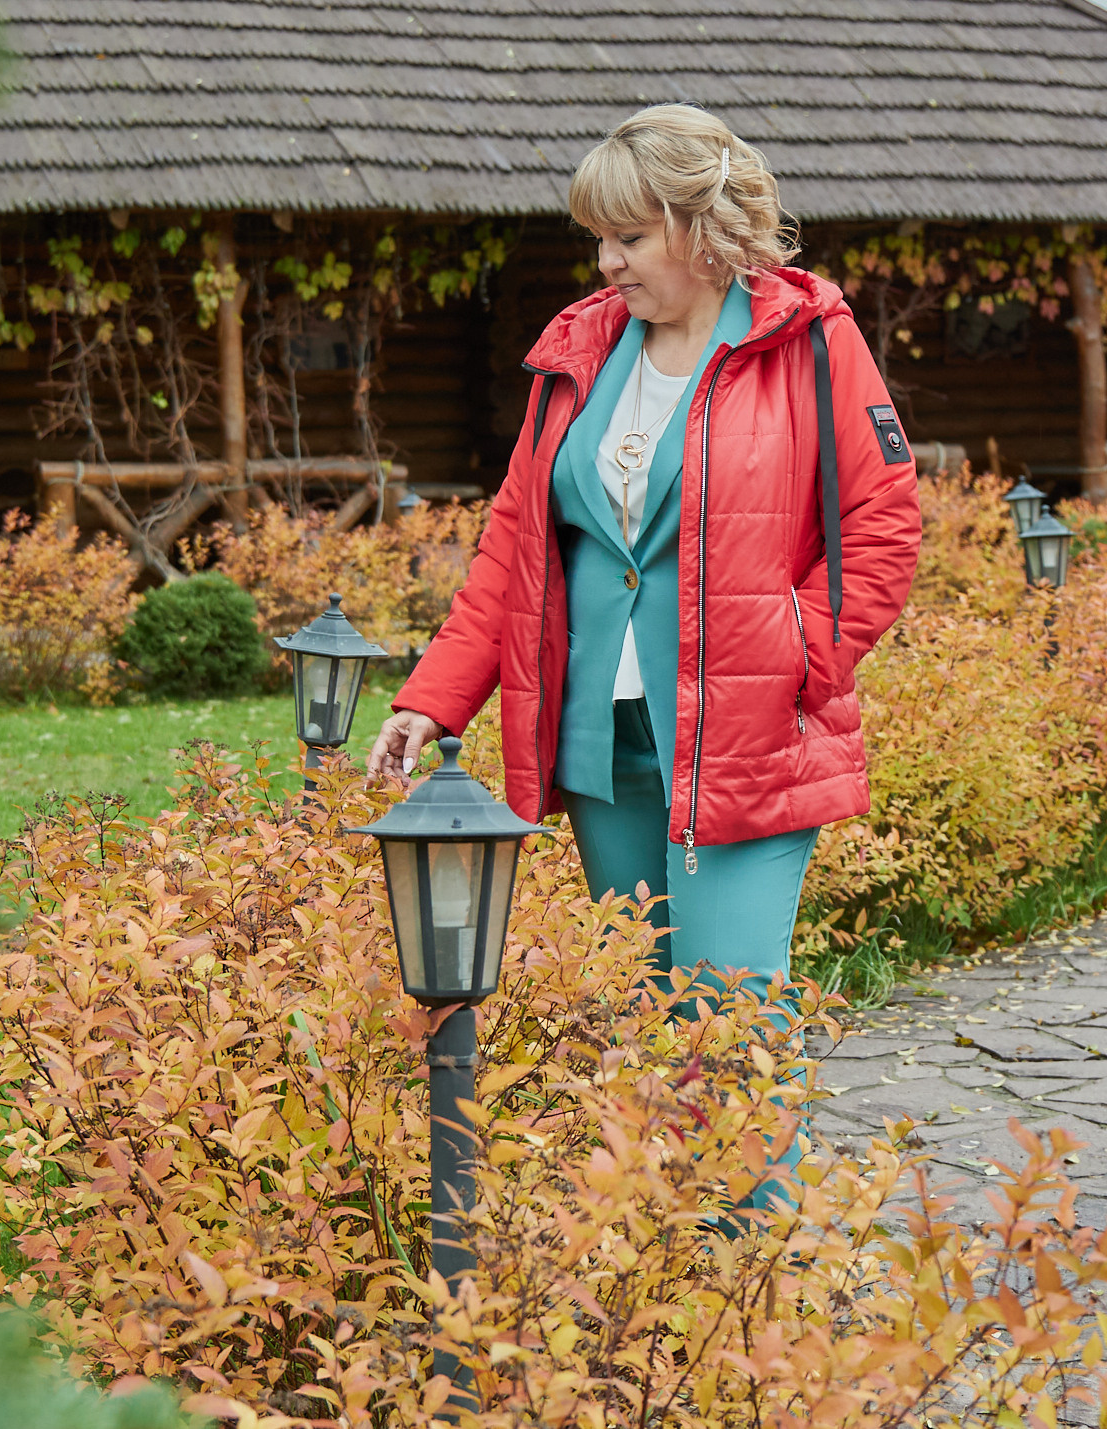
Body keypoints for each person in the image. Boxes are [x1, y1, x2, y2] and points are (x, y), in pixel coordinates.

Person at [369, 103, 921, 1070]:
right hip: (603, 743)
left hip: (745, 736)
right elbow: (515, 546)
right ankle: (669, 1225)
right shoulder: (579, 350)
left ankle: (756, 1226)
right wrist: (435, 695)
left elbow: (883, 523)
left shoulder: (811, 342)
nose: (607, 264)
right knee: (635, 1021)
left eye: (628, 238)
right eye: (598, 241)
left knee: (730, 1026)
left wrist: (801, 656)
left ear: (702, 230)